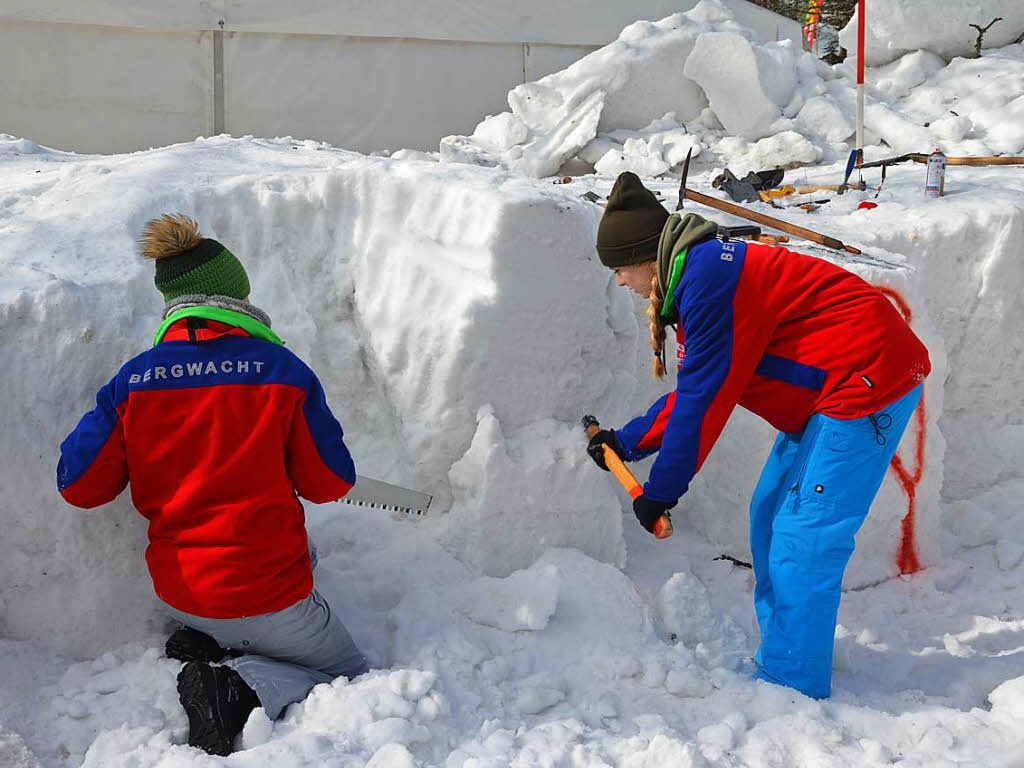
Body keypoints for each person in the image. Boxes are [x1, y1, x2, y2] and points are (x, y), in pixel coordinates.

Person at [586, 173, 930, 699]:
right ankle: (786, 654)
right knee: (770, 514)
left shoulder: (706, 281)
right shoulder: (698, 273)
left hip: (867, 381)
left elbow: (704, 403)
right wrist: (628, 441)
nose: (621, 283)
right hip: (830, 392)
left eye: (620, 270)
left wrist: (661, 492)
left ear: (643, 258)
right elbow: (704, 384)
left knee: (804, 534)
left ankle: (792, 684)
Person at [57, 214, 369, 755]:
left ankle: (212, 642)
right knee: (348, 673)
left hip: (179, 590)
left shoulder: (133, 379)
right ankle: (240, 687)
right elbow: (330, 484)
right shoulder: (282, 371)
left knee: (305, 559)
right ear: (237, 299)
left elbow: (79, 487)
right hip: (265, 594)